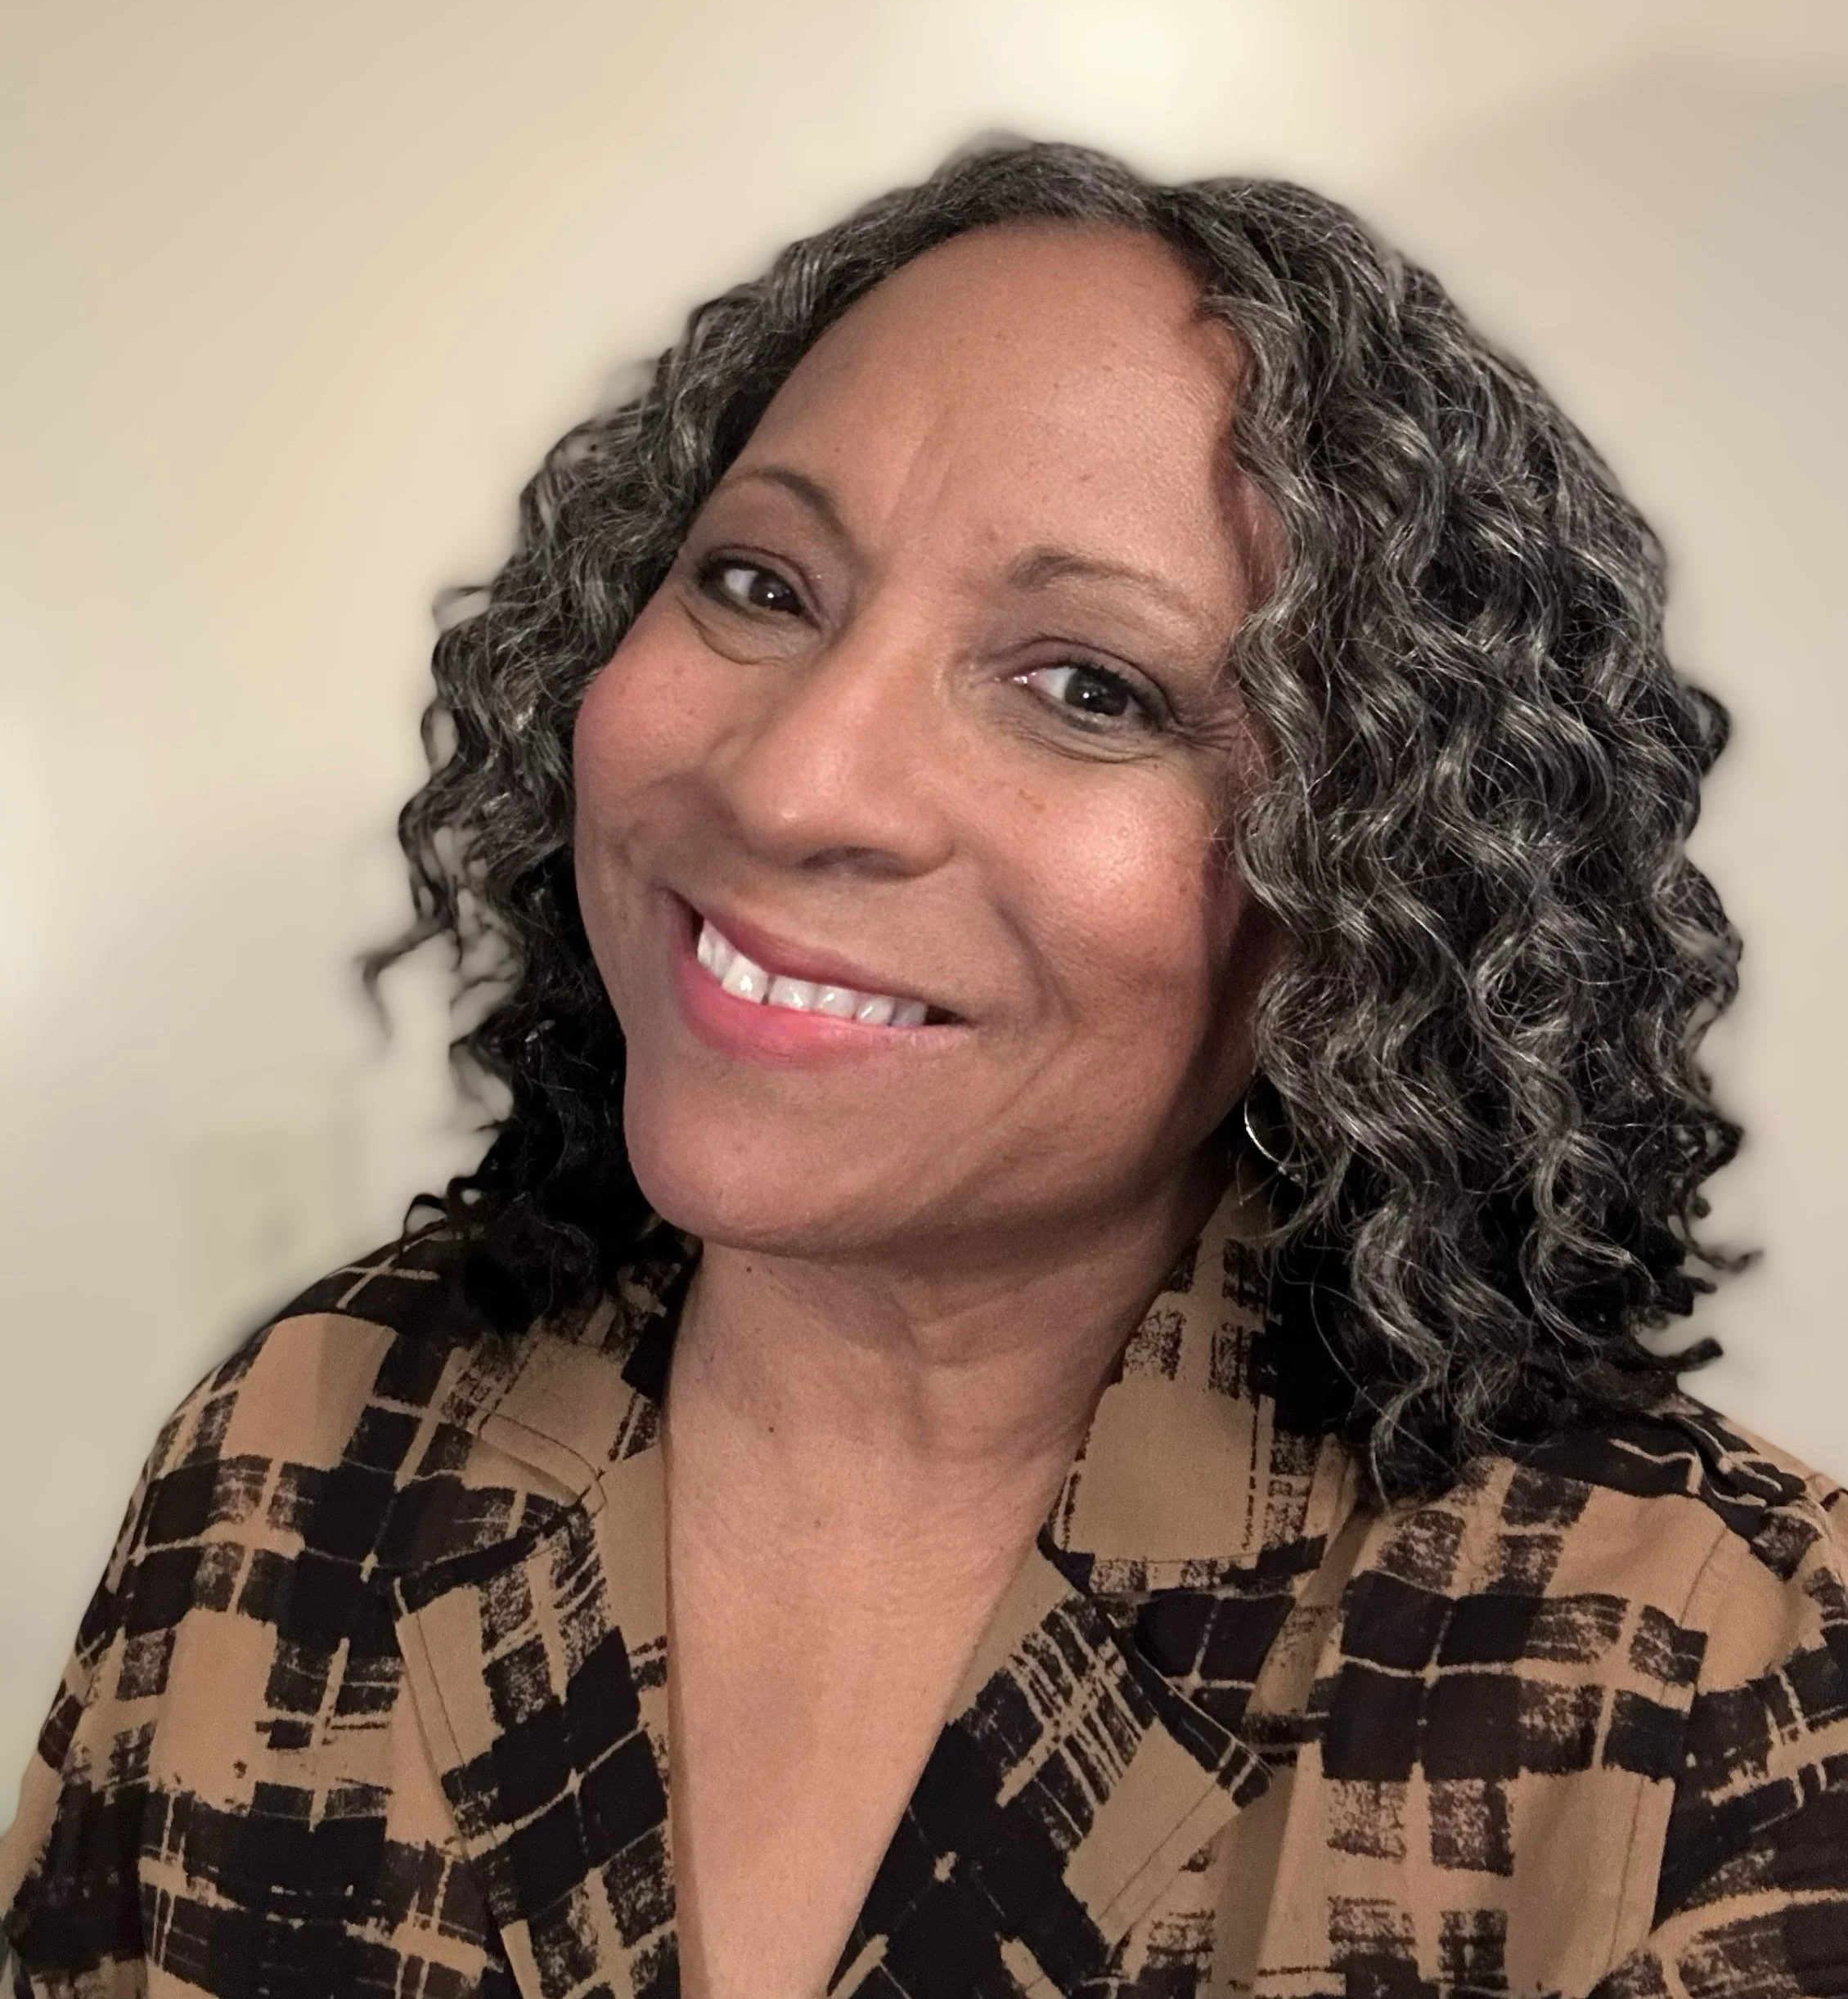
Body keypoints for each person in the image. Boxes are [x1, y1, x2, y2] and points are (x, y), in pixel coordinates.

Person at [2, 139, 1843, 1999]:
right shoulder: (313, 1445)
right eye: (758, 582)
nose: (793, 782)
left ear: (1375, 885)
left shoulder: (1698, 1681)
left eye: (1091, 688)